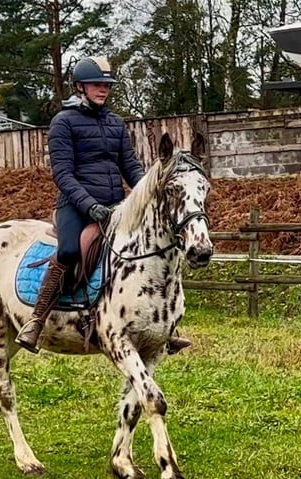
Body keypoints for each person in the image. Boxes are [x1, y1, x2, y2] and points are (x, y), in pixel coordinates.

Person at [15, 56, 191, 355]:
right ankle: (36, 318)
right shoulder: (63, 122)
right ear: (80, 86)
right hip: (75, 205)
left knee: (147, 248)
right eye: (98, 84)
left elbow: (131, 167)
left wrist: (150, 191)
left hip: (115, 205)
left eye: (107, 85)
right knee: (70, 251)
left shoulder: (115, 123)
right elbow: (63, 174)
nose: (104, 90)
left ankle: (163, 324)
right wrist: (89, 205)